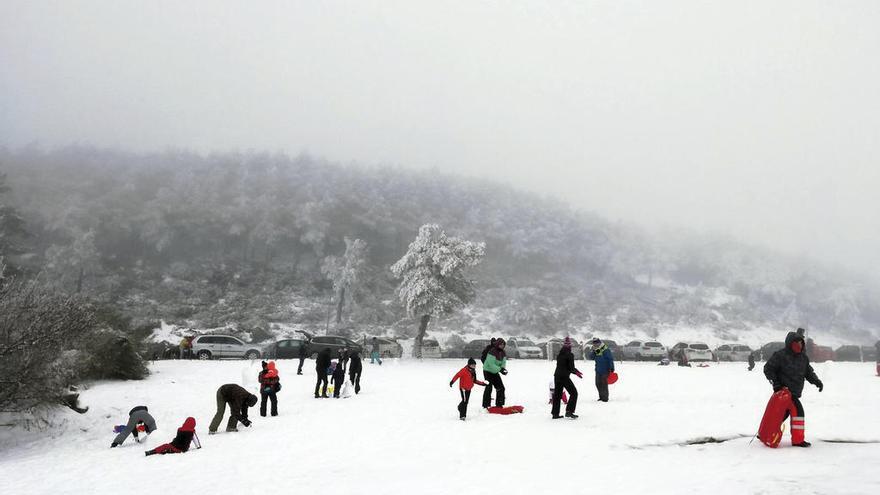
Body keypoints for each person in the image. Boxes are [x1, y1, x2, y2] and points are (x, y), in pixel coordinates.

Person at [763, 328, 824, 447]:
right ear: (790, 343)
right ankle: (798, 440)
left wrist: (817, 381)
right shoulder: (780, 355)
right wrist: (776, 383)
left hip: (794, 392)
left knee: (780, 415)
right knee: (798, 412)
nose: (800, 345)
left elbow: (808, 372)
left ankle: (766, 433)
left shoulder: (803, 358)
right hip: (784, 392)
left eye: (801, 343)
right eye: (797, 342)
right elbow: (768, 369)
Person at [552, 337, 582, 418]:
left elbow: (564, 366)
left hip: (557, 376)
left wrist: (575, 371)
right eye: (569, 344)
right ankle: (569, 411)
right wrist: (577, 372)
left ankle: (555, 414)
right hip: (564, 377)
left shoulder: (560, 354)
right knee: (574, 393)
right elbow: (571, 368)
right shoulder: (570, 355)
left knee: (557, 395)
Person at [481, 338, 507, 409]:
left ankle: (499, 404)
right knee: (489, 387)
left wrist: (503, 369)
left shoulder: (503, 352)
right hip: (487, 371)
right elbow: (490, 364)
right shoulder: (492, 351)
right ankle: (485, 405)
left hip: (495, 372)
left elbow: (503, 362)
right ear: (498, 344)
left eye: (503, 344)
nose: (502, 346)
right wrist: (500, 369)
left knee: (501, 388)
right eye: (501, 344)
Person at [588, 338, 614, 402]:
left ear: (599, 343)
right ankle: (601, 397)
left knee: (604, 384)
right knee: (598, 383)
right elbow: (591, 357)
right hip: (598, 370)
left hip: (605, 369)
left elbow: (610, 359)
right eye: (594, 344)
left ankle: (605, 398)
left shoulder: (605, 349)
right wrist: (593, 351)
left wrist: (611, 368)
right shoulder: (597, 350)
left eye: (595, 343)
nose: (594, 345)